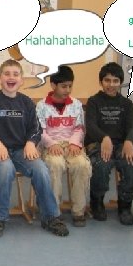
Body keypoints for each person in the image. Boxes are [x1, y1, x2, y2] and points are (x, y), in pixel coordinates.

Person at [0, 59, 66, 238]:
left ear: (22, 80)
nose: (11, 77)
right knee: (6, 169)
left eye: (15, 74)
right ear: (0, 79)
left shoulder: (26, 102)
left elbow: (36, 129)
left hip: (21, 151)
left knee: (41, 169)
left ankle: (50, 216)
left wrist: (31, 143)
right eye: (7, 74)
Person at [84, 62, 133, 225]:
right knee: (101, 164)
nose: (111, 84)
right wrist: (104, 138)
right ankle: (97, 202)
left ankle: (125, 205)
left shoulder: (126, 104)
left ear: (120, 82)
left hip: (120, 145)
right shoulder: (93, 101)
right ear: (101, 82)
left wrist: (129, 141)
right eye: (107, 80)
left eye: (115, 81)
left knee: (131, 164)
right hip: (97, 143)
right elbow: (91, 126)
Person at [36, 65, 92, 226]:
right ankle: (54, 211)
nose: (67, 90)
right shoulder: (41, 106)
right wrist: (51, 144)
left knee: (82, 165)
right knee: (55, 165)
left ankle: (78, 210)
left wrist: (74, 143)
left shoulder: (76, 104)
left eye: (70, 86)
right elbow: (40, 130)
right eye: (63, 86)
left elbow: (79, 128)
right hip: (51, 146)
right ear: (53, 85)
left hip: (72, 145)